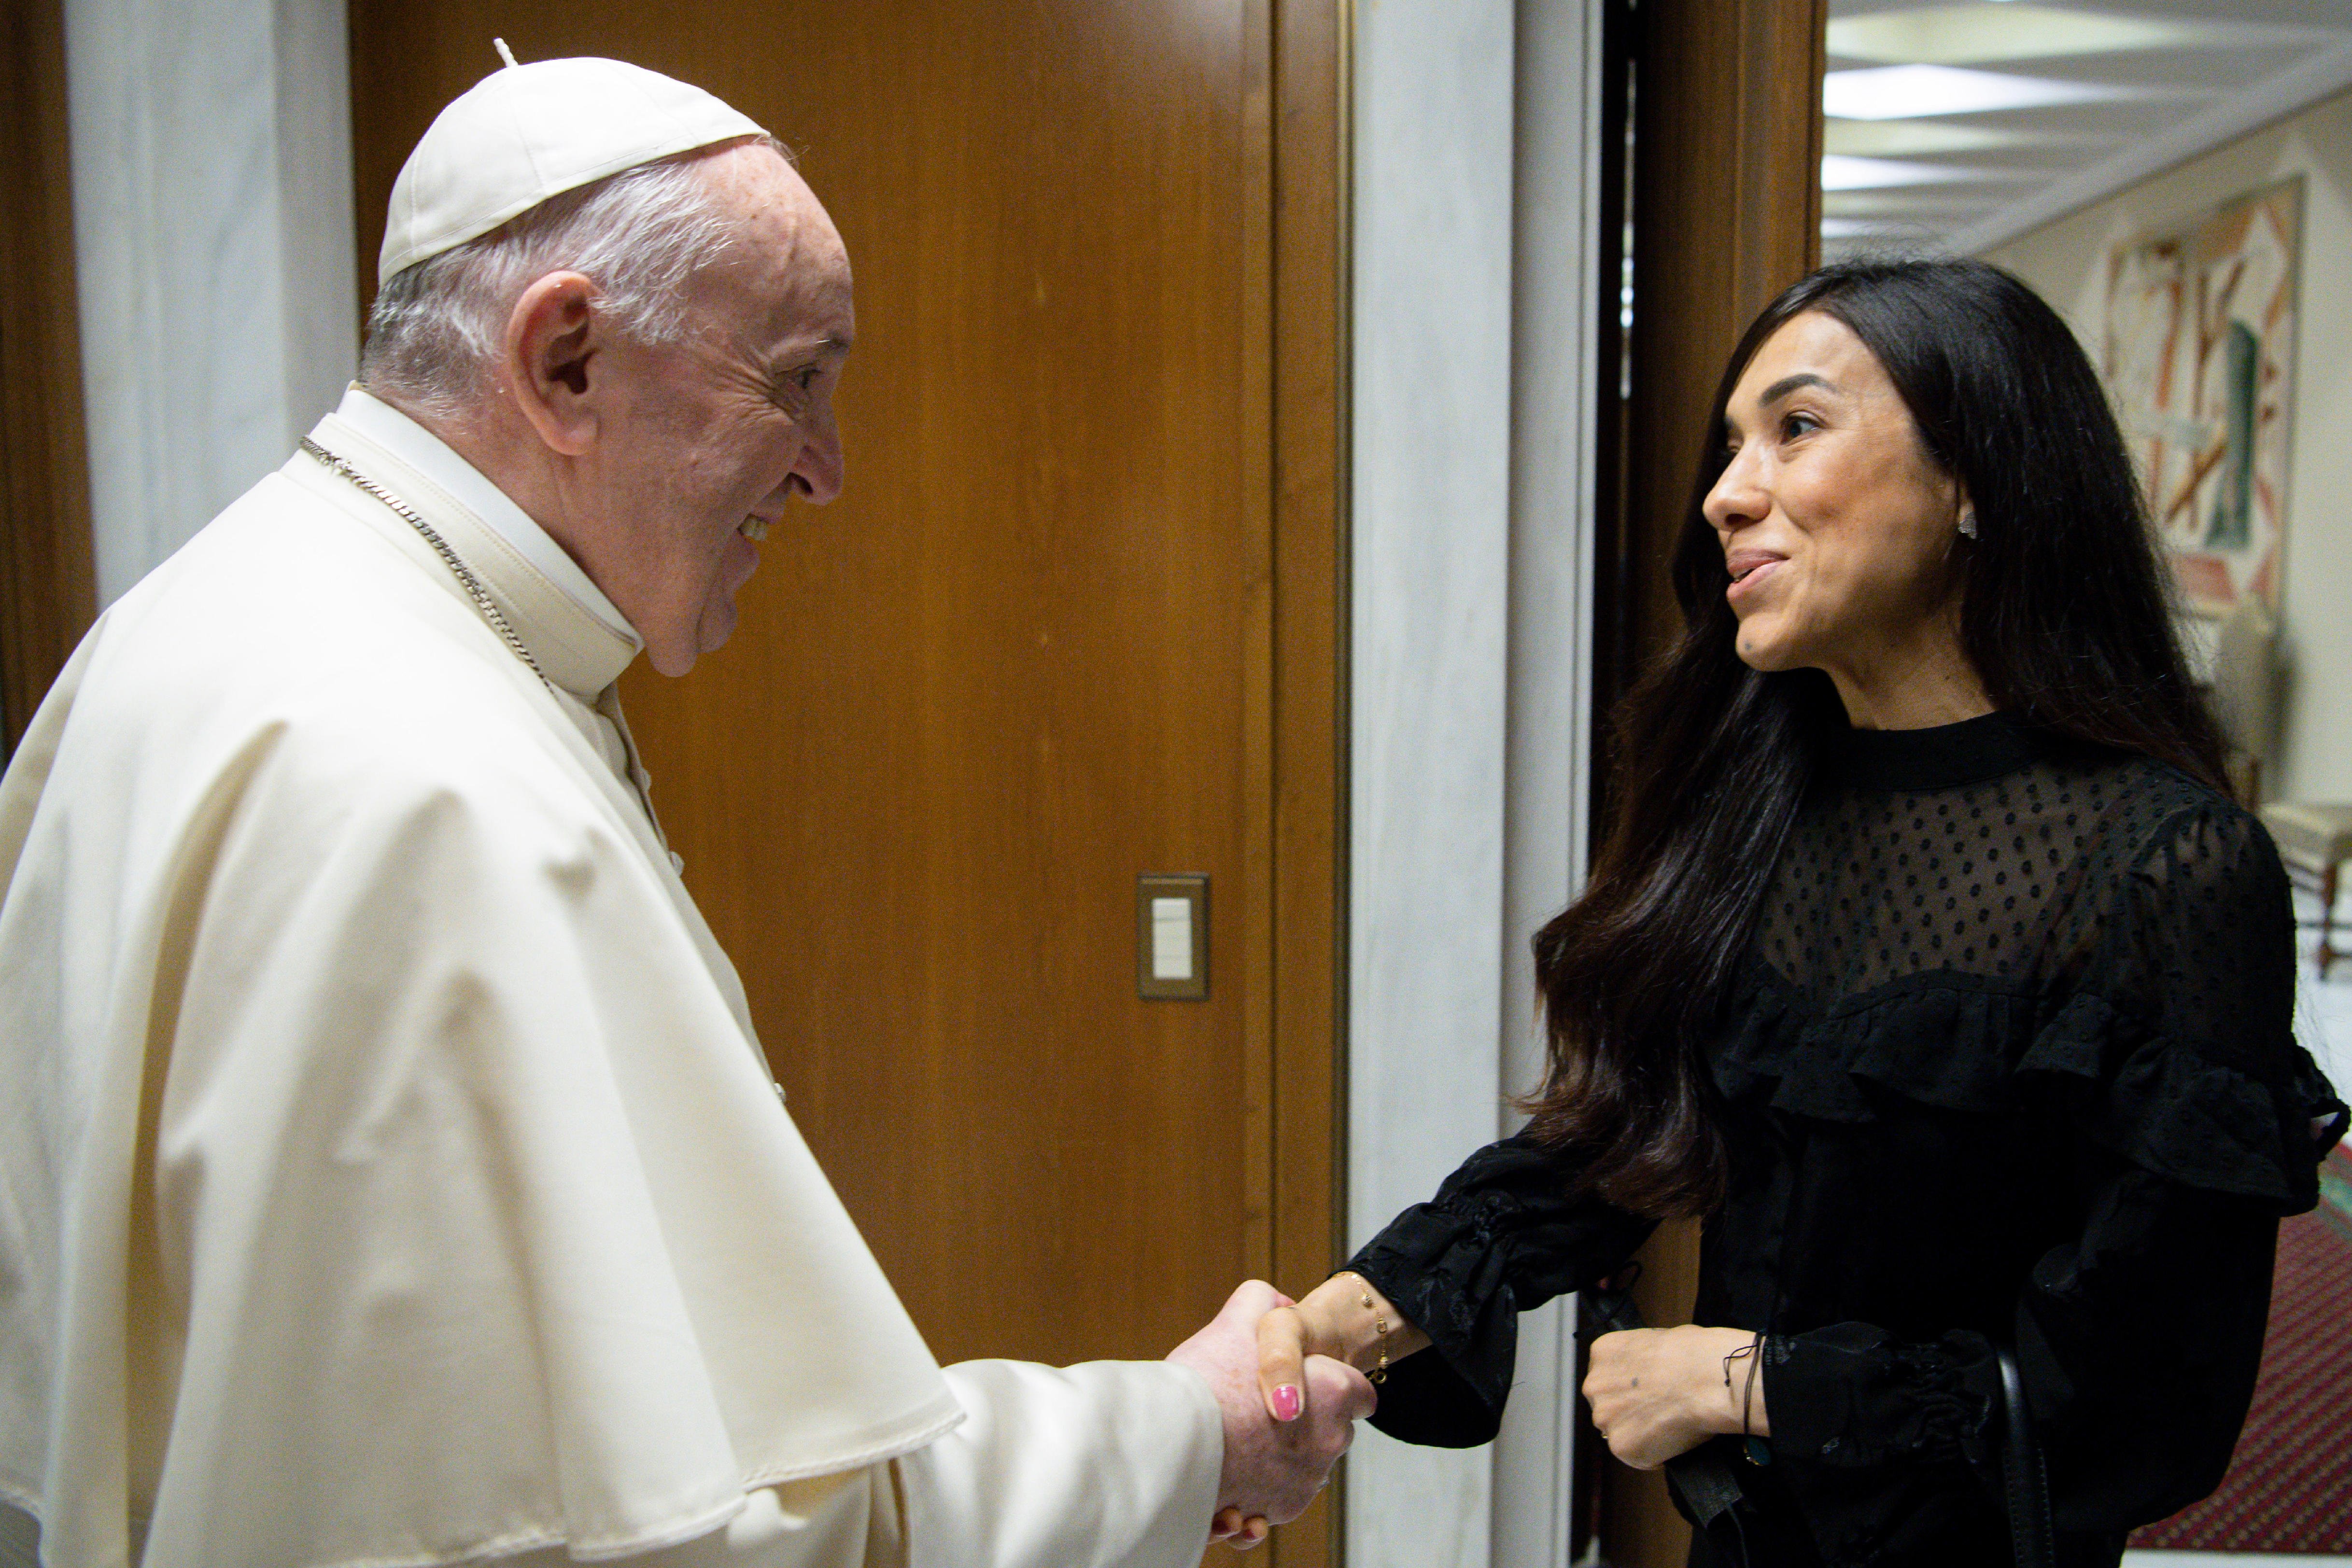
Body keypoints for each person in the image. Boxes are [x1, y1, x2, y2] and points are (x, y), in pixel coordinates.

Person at [0, 53, 1370, 1568]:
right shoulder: (432, 796)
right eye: (795, 379)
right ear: (566, 359)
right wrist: (1186, 1434)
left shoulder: (202, 624)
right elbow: (680, 1539)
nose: (829, 471)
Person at [1253, 259, 2348, 1567]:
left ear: (1972, 482)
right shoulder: (1762, 807)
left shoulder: (2165, 868)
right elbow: (1614, 1146)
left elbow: (2145, 1401)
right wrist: (1333, 1324)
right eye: (1731, 446)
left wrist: (1747, 1383)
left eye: (1799, 427)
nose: (1727, 492)